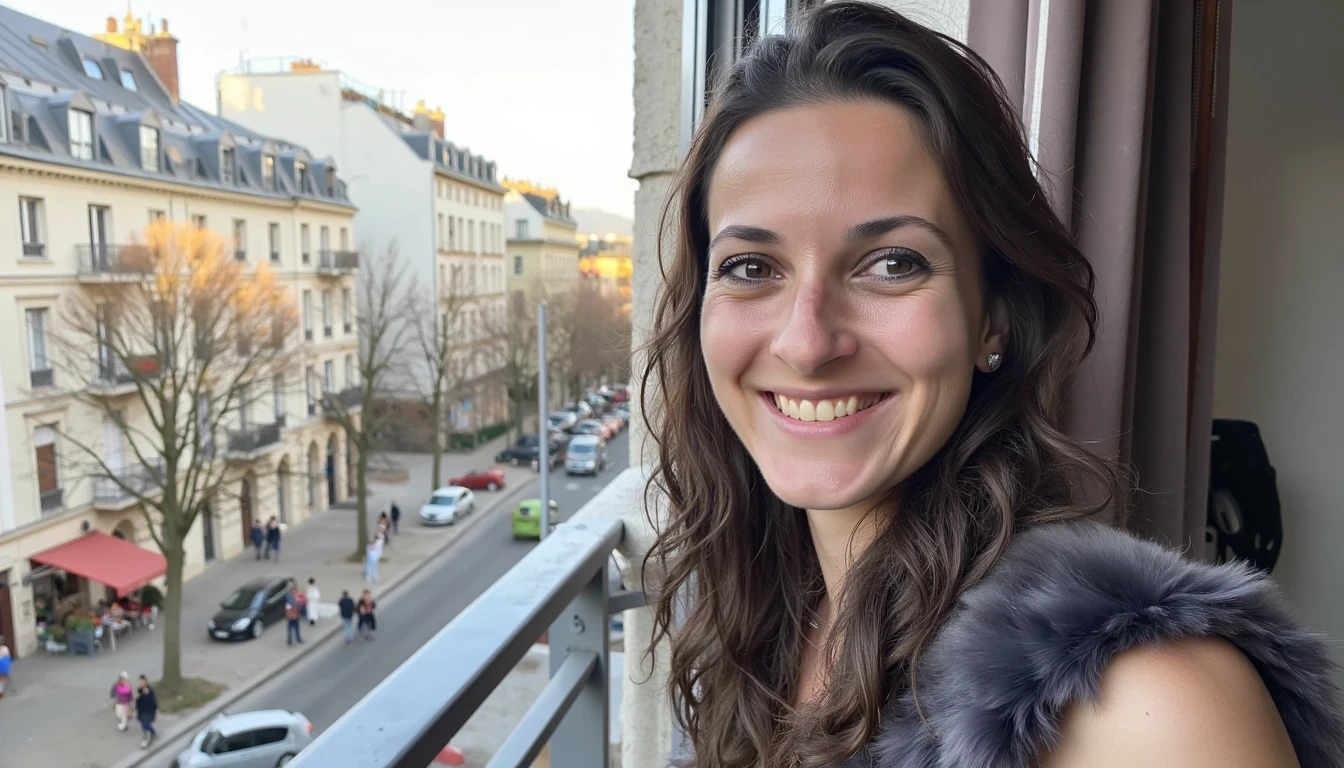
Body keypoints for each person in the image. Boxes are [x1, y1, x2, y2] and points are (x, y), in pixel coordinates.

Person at [643, 4, 1344, 767]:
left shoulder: (1151, 700)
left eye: (893, 263)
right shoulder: (752, 620)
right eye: (751, 267)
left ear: (994, 321)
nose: (807, 342)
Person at [134, 675, 157, 749]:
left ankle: (147, 740)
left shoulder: (149, 691)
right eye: (139, 682)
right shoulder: (139, 690)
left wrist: (145, 696)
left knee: (145, 726)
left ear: (146, 682)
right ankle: (153, 733)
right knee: (144, 725)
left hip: (148, 712)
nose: (140, 684)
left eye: (142, 682)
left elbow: (152, 703)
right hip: (141, 711)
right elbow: (138, 701)